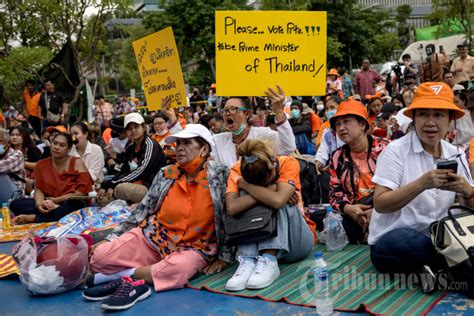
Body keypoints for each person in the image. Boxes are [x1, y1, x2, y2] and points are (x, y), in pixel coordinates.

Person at [86, 124, 231, 309]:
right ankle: (145, 274)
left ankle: (121, 277)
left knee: (178, 269)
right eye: (178, 143)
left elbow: (229, 218)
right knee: (99, 258)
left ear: (204, 148)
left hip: (194, 247)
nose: (179, 147)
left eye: (187, 143)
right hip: (154, 236)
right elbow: (143, 210)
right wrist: (111, 237)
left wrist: (224, 256)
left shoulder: (221, 175)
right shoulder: (166, 173)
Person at [369, 82, 474, 283]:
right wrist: (423, 183)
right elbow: (380, 204)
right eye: (424, 114)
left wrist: (467, 190)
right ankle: (456, 270)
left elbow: (470, 206)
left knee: (444, 246)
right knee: (401, 241)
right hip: (400, 241)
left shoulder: (456, 154)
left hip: (442, 239)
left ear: (450, 119)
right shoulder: (396, 151)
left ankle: (441, 272)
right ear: (414, 119)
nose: (431, 122)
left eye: (439, 115)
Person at [225, 139, 315, 291]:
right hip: (256, 242)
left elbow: (278, 201)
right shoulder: (237, 168)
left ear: (273, 163)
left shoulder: (288, 162)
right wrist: (270, 189)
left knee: (280, 200)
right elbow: (232, 207)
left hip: (296, 242)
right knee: (259, 196)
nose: (262, 185)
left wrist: (246, 185)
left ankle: (269, 258)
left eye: (266, 181)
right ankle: (248, 259)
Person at [328, 100, 389, 244]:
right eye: (338, 124)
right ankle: (371, 233)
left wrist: (376, 211)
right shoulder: (337, 156)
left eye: (347, 122)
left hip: (385, 207)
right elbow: (334, 193)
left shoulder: (386, 148)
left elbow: (400, 185)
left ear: (362, 124)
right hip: (355, 213)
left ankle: (370, 233)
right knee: (322, 218)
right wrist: (350, 209)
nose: (341, 128)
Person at [11, 132, 93, 224]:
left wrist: (56, 201)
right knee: (16, 204)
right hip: (48, 202)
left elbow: (81, 193)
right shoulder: (42, 164)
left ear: (69, 149)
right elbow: (39, 189)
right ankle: (51, 215)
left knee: (75, 206)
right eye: (55, 143)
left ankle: (35, 218)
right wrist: (40, 204)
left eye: (62, 145)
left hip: (69, 202)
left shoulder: (77, 163)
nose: (56, 147)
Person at [213, 85, 296, 167]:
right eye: (225, 110)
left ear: (247, 113)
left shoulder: (263, 135)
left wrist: (278, 110)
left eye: (233, 109)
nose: (228, 113)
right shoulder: (217, 141)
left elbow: (288, 147)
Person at [97, 113, 166, 206]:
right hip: (133, 185)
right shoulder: (130, 148)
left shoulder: (150, 145)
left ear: (143, 127)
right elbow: (123, 171)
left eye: (136, 127)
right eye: (129, 128)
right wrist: (106, 185)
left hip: (152, 188)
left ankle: (131, 204)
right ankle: (130, 205)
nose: (133, 130)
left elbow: (140, 171)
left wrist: (113, 184)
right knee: (102, 199)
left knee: (120, 189)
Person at [0, 128, 26, 204]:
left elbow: (1, 167)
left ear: (8, 143)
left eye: (0, 141)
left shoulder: (17, 154)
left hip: (15, 195)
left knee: (1, 175)